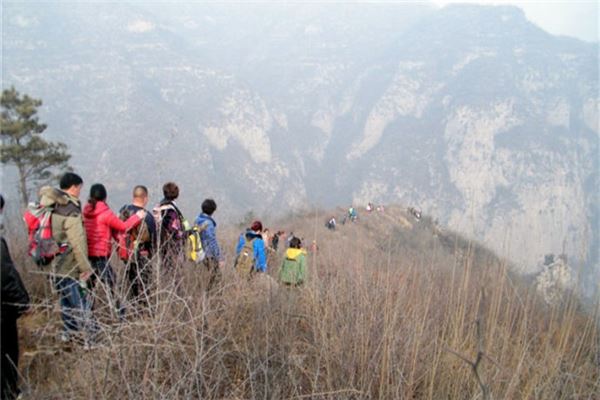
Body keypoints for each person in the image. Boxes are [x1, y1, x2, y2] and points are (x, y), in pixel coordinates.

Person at [39, 173, 95, 347]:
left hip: (53, 262)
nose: (80, 192)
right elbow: (77, 242)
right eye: (79, 188)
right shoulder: (69, 209)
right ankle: (91, 338)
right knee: (80, 303)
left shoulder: (50, 205)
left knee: (65, 300)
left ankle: (68, 333)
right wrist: (85, 267)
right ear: (73, 187)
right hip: (69, 264)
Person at [83, 183, 144, 317]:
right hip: (101, 256)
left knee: (90, 289)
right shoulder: (105, 213)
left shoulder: (86, 211)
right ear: (105, 197)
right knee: (113, 286)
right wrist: (137, 216)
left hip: (87, 255)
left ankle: (87, 317)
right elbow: (123, 227)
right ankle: (120, 316)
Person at [0, 195, 30, 400]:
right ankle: (9, 393)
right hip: (3, 310)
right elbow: (5, 275)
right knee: (7, 353)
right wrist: (22, 301)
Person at [119, 185, 156, 306]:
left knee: (131, 285)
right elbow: (154, 240)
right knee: (144, 286)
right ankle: (144, 311)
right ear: (145, 198)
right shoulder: (148, 217)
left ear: (133, 196)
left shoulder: (124, 211)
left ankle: (132, 309)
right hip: (143, 256)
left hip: (126, 254)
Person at [153, 182, 188, 273]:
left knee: (165, 271)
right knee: (174, 275)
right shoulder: (170, 210)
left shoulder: (161, 206)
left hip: (162, 245)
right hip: (172, 248)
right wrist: (187, 233)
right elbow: (175, 233)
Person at [194, 198, 223, 291]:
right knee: (216, 278)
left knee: (202, 278)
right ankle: (211, 297)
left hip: (198, 253)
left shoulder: (197, 220)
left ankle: (203, 294)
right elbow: (212, 241)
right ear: (213, 211)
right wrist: (219, 258)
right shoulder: (209, 223)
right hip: (208, 255)